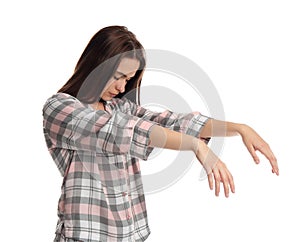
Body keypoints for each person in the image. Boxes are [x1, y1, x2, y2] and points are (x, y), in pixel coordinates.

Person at [42, 25, 279, 242]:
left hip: (130, 235)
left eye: (128, 79)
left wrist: (239, 128)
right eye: (117, 77)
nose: (122, 88)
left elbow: (169, 122)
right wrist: (196, 145)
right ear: (97, 66)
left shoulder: (119, 107)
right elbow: (119, 131)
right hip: (85, 237)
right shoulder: (60, 108)